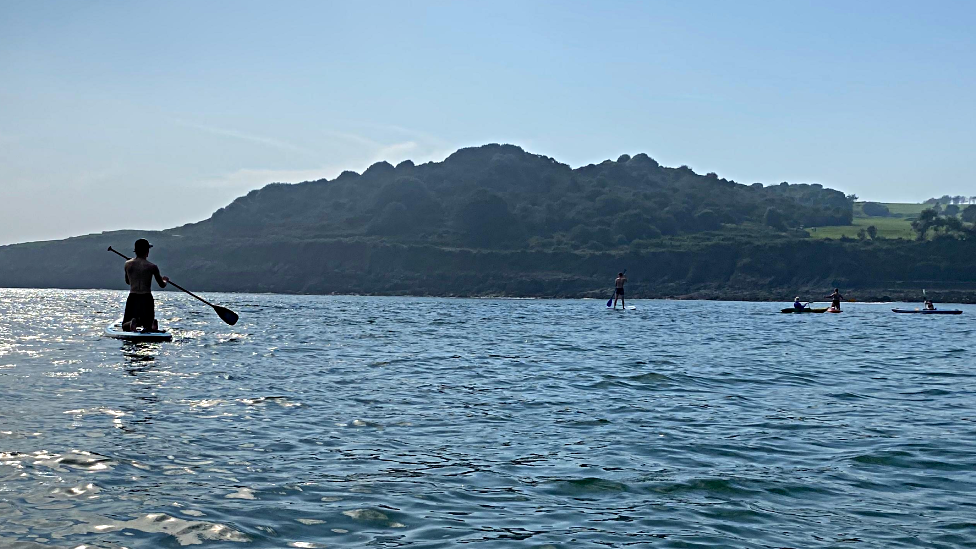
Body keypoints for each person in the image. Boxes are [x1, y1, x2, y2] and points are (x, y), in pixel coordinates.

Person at [122, 239, 168, 332]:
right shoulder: (152, 266)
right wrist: (165, 280)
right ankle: (151, 324)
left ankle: (131, 323)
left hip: (133, 297)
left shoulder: (127, 264)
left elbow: (128, 282)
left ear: (136, 251)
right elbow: (162, 285)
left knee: (124, 325)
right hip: (146, 298)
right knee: (147, 325)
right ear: (147, 251)